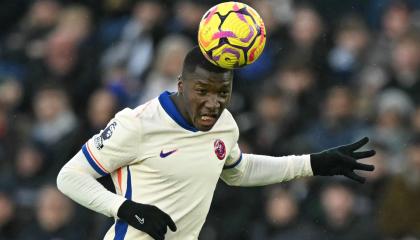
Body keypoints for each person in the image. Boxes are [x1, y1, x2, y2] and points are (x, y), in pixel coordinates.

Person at [57, 46, 376, 240]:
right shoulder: (136, 125)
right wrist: (124, 208)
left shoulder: (224, 125)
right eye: (202, 91)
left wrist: (313, 164)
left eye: (222, 92)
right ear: (181, 85)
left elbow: (237, 170)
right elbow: (69, 177)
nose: (213, 102)